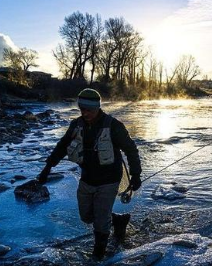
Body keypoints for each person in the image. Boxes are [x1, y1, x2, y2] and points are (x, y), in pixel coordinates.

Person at [37, 88, 142, 260]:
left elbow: (131, 150)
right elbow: (63, 146)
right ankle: (117, 220)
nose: (84, 113)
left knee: (100, 222)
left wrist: (135, 175)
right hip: (87, 178)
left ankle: (98, 254)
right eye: (82, 109)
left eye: (88, 110)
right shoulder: (76, 125)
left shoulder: (114, 126)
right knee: (86, 216)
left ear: (97, 107)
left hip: (109, 180)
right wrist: (47, 168)